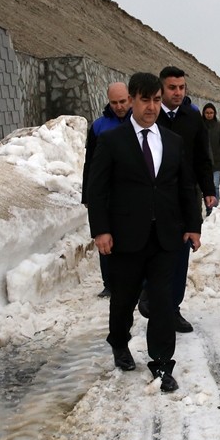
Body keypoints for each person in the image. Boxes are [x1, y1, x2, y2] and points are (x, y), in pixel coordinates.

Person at [85, 72, 202, 392]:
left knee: (163, 301)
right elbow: (97, 191)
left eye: (155, 100)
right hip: (126, 236)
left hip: (166, 236)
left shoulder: (173, 141)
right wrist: (101, 231)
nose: (151, 107)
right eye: (145, 100)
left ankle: (162, 362)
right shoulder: (112, 141)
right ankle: (119, 342)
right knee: (123, 298)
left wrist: (193, 225)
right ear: (133, 100)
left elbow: (185, 186)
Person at [147, 65, 217, 333]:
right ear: (161, 89)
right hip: (152, 199)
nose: (177, 93)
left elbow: (202, 157)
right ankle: (149, 297)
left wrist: (209, 189)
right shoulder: (150, 117)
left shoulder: (192, 117)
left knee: (180, 253)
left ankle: (173, 308)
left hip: (185, 198)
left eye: (181, 88)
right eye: (172, 88)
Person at [81, 81, 132, 298]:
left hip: (132, 191)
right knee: (106, 236)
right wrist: (88, 194)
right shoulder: (99, 126)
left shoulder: (140, 122)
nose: (119, 106)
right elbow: (90, 162)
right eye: (114, 103)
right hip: (107, 192)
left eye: (123, 101)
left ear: (130, 99)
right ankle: (109, 283)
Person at [202, 102, 220, 212]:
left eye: (211, 113)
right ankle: (209, 209)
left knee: (215, 186)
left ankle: (215, 209)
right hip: (203, 162)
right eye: (207, 113)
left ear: (215, 113)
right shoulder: (200, 126)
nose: (209, 115)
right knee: (205, 187)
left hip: (216, 161)